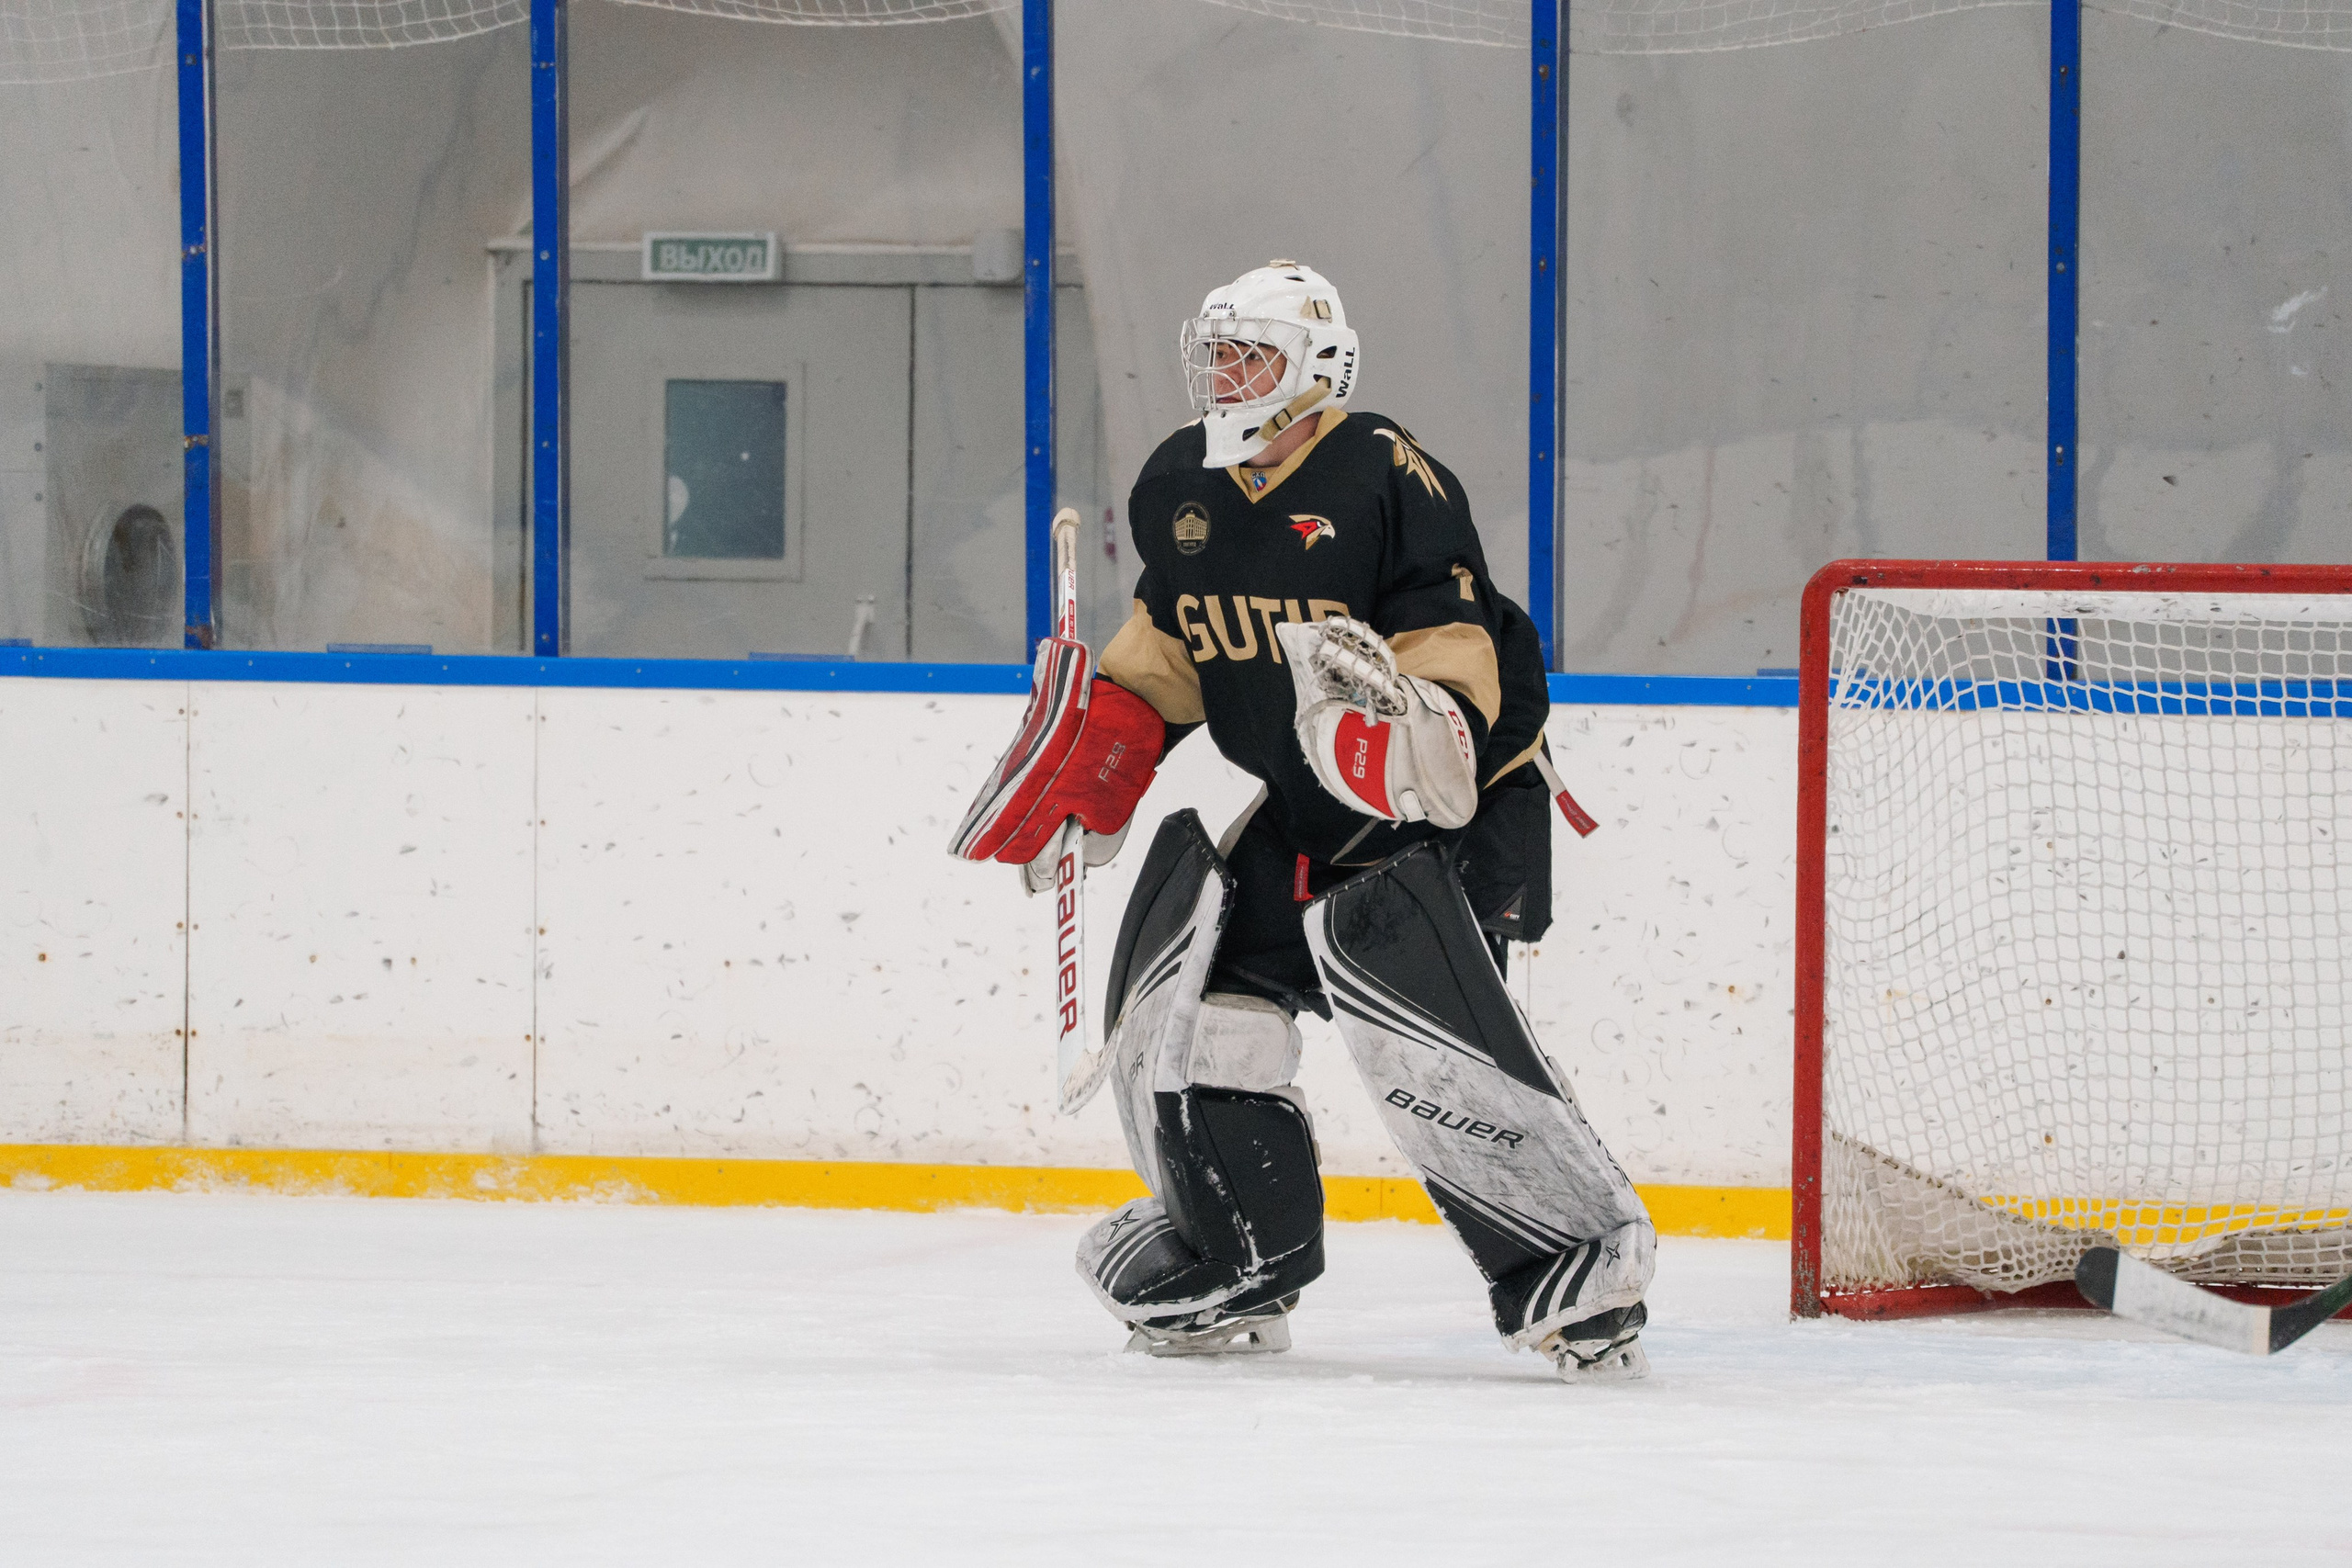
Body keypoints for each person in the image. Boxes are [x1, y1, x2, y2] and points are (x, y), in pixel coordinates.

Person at [965, 262, 1655, 1382]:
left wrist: (1420, 735)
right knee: (1203, 1024)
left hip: (1443, 815)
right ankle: (1243, 1255)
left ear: (1317, 366)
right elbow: (1171, 646)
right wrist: (1103, 755)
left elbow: (1457, 644)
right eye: (1218, 354)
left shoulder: (1386, 473)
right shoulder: (1180, 482)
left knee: (1433, 1054)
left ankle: (1578, 1273)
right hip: (1298, 808)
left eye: (1252, 355)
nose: (1226, 375)